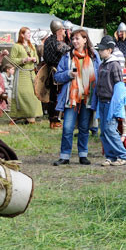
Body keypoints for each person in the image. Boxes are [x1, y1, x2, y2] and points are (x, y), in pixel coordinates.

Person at [52, 29, 100, 166]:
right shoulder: (67, 56)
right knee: (67, 127)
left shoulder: (94, 56)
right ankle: (65, 156)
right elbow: (57, 77)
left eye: (77, 38)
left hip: (87, 97)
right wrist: (68, 74)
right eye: (73, 39)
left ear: (85, 40)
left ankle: (83, 155)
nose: (74, 41)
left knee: (84, 128)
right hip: (71, 98)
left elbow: (99, 73)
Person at [96, 35, 126, 166]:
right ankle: (110, 156)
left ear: (109, 50)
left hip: (111, 103)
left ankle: (124, 155)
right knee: (104, 131)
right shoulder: (102, 64)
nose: (100, 51)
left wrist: (116, 106)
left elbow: (119, 86)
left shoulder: (114, 65)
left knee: (110, 130)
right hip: (102, 102)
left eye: (102, 49)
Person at [9, 27, 43, 124]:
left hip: (31, 73)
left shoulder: (31, 45)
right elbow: (12, 60)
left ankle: (31, 115)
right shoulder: (16, 46)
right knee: (22, 94)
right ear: (22, 35)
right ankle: (17, 116)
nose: (29, 35)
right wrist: (23, 60)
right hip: (22, 74)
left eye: (30, 33)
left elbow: (37, 57)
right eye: (28, 33)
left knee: (33, 95)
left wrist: (35, 59)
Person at [42, 20, 71, 128]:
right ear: (58, 31)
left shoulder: (48, 40)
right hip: (57, 72)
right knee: (57, 96)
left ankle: (53, 120)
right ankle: (55, 120)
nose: (64, 31)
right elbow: (70, 51)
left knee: (52, 96)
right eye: (63, 29)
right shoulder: (58, 43)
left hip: (50, 71)